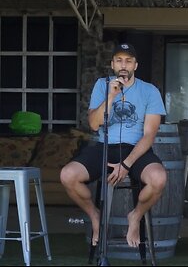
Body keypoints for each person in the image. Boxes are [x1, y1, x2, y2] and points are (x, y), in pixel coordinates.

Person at [60, 43, 167, 248]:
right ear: (112, 64)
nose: (123, 65)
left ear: (136, 65)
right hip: (104, 146)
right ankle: (95, 216)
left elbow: (149, 135)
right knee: (68, 175)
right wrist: (111, 96)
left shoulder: (149, 91)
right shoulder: (102, 85)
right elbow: (93, 124)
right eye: (119, 60)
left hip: (136, 149)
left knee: (159, 179)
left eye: (128, 60)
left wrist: (126, 164)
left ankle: (135, 216)